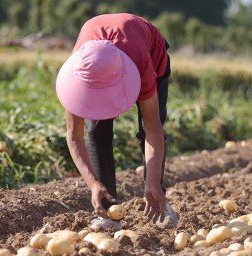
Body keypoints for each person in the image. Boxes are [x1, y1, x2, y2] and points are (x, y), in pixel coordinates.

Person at [56, 13, 177, 228]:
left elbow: (153, 129)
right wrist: (93, 183)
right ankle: (108, 211)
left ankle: (158, 197)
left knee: (145, 128)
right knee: (96, 130)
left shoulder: (142, 63)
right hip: (101, 57)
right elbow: (74, 136)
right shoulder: (80, 67)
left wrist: (152, 181)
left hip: (149, 53)